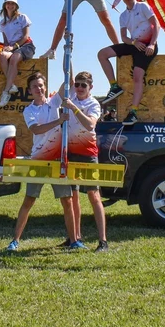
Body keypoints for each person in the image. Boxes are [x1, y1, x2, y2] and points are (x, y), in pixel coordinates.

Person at [6, 72, 79, 252]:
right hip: (38, 159)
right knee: (29, 199)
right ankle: (15, 241)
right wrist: (58, 121)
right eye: (35, 87)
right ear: (30, 91)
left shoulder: (54, 102)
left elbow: (70, 81)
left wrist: (67, 46)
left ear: (45, 86)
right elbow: (37, 130)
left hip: (57, 158)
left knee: (67, 200)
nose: (38, 89)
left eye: (41, 85)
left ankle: (74, 240)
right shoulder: (29, 110)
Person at [97, 0, 158, 125]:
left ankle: (134, 112)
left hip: (147, 45)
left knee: (137, 77)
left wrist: (152, 44)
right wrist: (134, 42)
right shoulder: (123, 16)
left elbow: (156, 25)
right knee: (102, 54)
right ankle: (114, 86)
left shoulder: (143, 7)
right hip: (134, 44)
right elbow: (124, 37)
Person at [62, 71, 108, 253]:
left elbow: (90, 124)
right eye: (78, 85)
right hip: (70, 152)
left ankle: (103, 241)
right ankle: (75, 237)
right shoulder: (71, 94)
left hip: (88, 153)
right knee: (73, 197)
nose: (79, 88)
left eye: (84, 85)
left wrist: (73, 108)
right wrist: (68, 44)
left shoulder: (93, 103)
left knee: (93, 196)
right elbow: (69, 73)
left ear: (91, 87)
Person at [0, 0, 35, 107]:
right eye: (8, 3)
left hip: (26, 46)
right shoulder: (2, 23)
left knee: (14, 58)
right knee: (3, 56)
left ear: (16, 6)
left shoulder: (22, 17)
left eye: (12, 3)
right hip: (13, 47)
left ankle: (6, 91)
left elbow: (25, 37)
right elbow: (6, 42)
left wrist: (13, 48)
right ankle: (12, 84)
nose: (10, 5)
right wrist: (6, 48)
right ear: (5, 5)